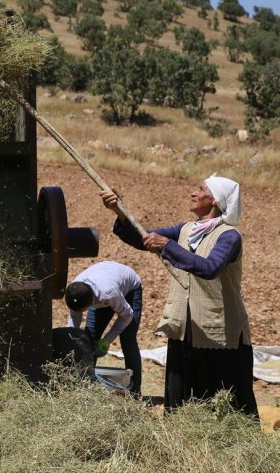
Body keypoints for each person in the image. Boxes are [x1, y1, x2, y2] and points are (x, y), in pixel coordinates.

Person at [99, 176, 258, 417]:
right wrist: (118, 210)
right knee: (182, 396)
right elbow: (143, 238)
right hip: (184, 326)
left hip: (219, 332)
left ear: (214, 200)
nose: (193, 193)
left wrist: (167, 246)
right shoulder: (185, 230)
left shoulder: (228, 236)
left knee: (225, 399)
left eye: (201, 189)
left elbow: (209, 268)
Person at [65, 261, 143, 396]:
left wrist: (107, 340)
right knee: (89, 339)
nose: (81, 313)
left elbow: (126, 316)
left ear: (91, 302)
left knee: (128, 340)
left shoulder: (108, 294)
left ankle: (135, 393)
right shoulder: (75, 291)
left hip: (129, 288)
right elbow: (74, 320)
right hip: (105, 279)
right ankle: (85, 386)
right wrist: (71, 342)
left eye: (83, 310)